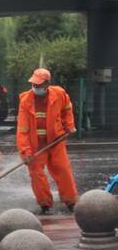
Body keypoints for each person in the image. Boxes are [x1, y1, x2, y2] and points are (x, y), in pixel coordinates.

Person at [16, 68, 78, 214]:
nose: (35, 87)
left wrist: (69, 125)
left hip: (56, 140)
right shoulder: (26, 101)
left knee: (62, 169)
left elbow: (67, 109)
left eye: (38, 85)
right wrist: (25, 151)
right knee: (36, 173)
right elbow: (22, 130)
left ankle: (71, 202)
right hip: (35, 145)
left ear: (47, 84)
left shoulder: (59, 94)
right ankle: (45, 204)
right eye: (34, 84)